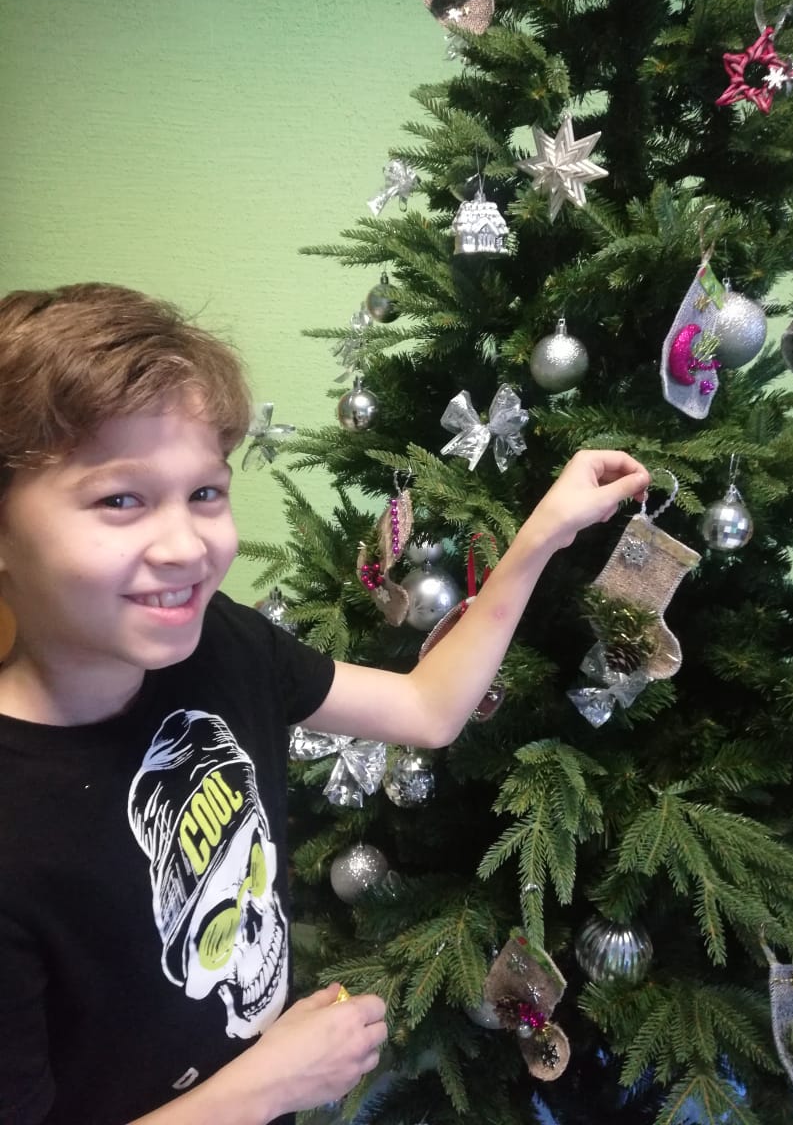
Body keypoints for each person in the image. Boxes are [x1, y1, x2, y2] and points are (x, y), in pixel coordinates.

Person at [0, 283, 650, 1125]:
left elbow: (427, 708)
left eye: (205, 493)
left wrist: (540, 537)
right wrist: (271, 1084)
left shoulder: (222, 644)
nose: (187, 546)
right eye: (120, 500)